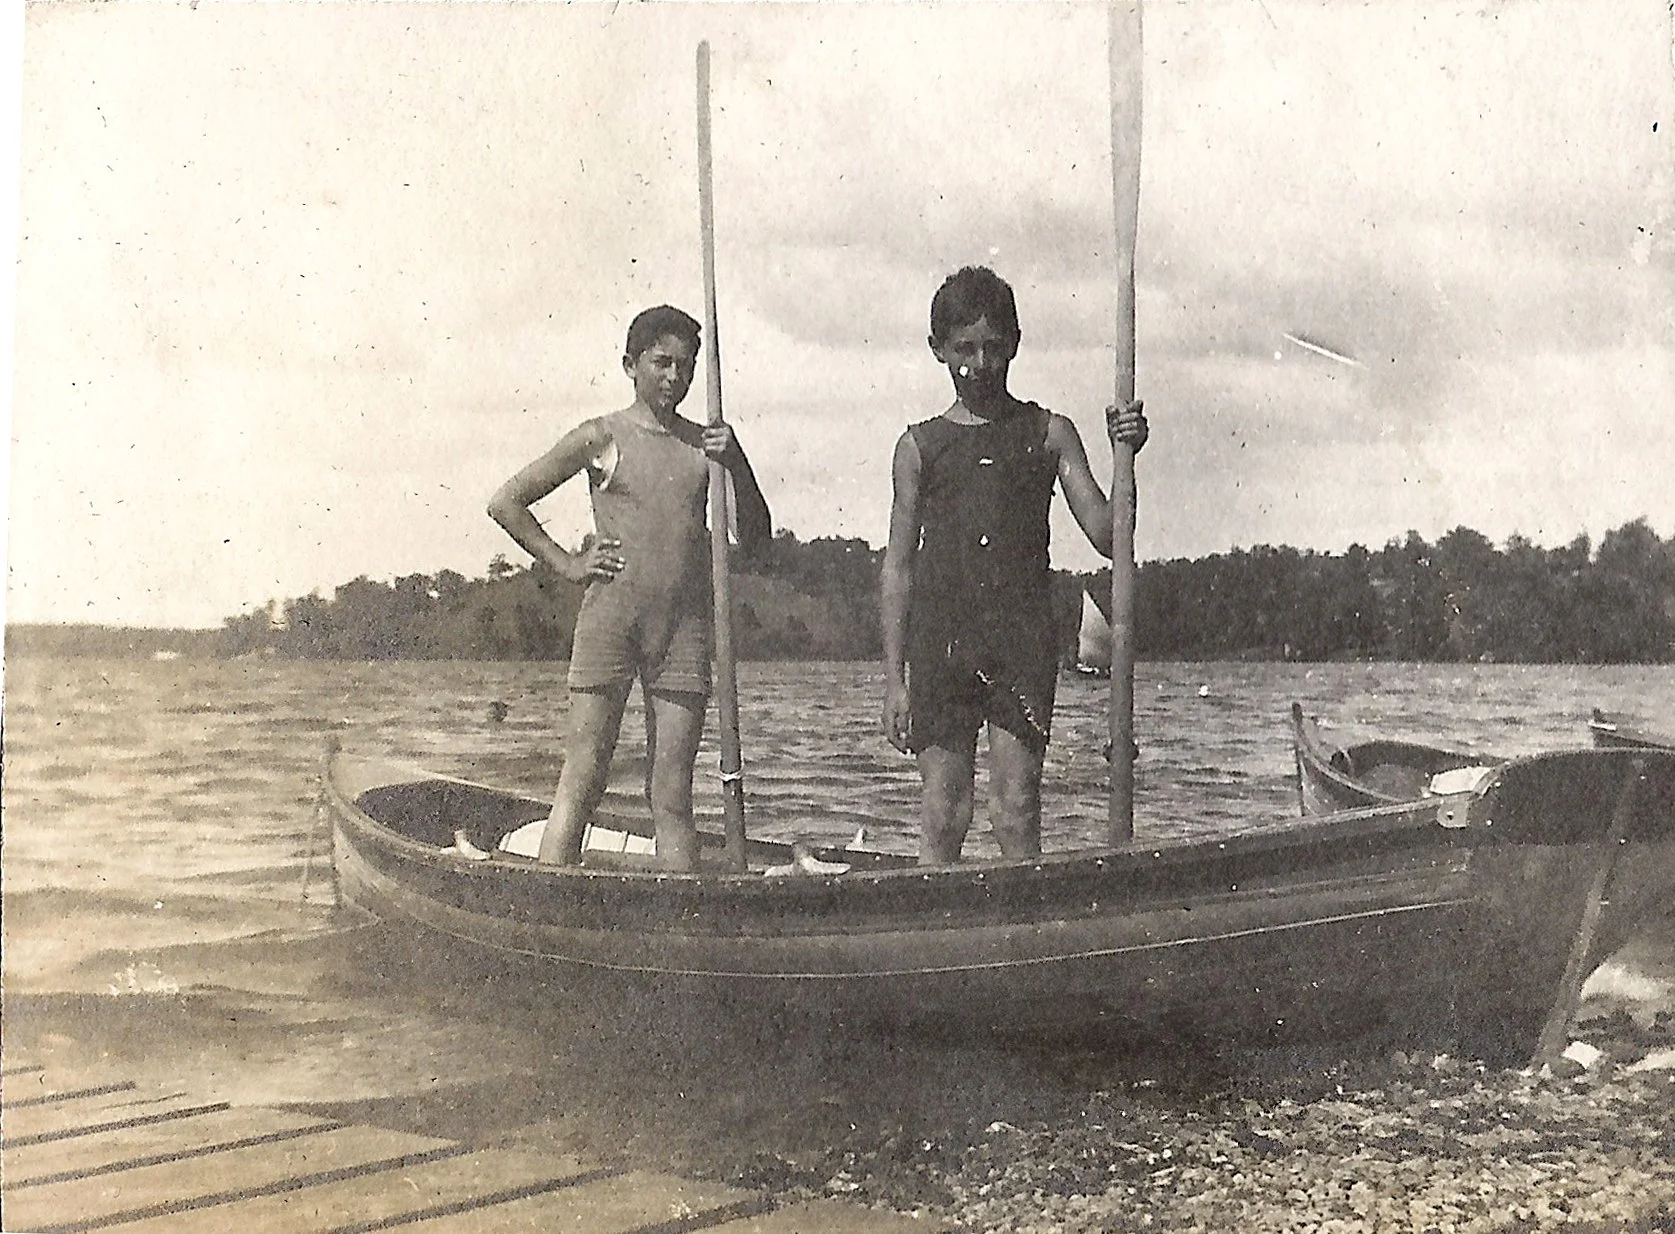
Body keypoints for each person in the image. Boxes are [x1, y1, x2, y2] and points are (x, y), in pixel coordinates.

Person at [880, 266, 1148, 864]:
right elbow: (898, 570)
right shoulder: (919, 447)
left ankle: (1019, 940)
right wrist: (894, 679)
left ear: (1015, 344)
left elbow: (1110, 537)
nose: (979, 364)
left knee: (1017, 808)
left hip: (1020, 642)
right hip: (941, 644)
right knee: (944, 812)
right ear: (938, 351)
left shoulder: (1049, 434)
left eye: (994, 348)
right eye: (963, 350)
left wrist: (1124, 453)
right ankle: (935, 942)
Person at [488, 305, 771, 869]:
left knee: (672, 795)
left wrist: (736, 463)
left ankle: (682, 929)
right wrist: (568, 563)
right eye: (661, 363)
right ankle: (550, 910)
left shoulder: (707, 446)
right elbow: (506, 502)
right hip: (611, 622)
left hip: (683, 631)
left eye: (686, 367)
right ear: (630, 365)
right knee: (584, 775)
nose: (675, 379)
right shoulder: (602, 436)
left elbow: (757, 543)